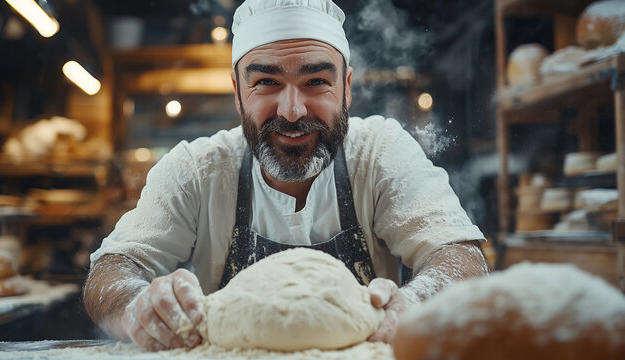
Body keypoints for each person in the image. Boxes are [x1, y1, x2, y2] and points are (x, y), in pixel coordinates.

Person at [83, 0, 488, 352]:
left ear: (345, 88)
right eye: (266, 82)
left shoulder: (380, 154)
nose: (292, 111)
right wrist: (137, 306)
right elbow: (112, 271)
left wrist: (414, 305)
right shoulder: (198, 169)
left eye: (316, 81)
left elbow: (459, 256)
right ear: (237, 91)